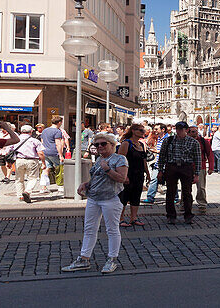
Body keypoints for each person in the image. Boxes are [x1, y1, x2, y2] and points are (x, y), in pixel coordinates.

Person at [61, 132, 128, 274]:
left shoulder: (119, 159)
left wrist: (108, 169)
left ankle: (112, 259)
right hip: (93, 198)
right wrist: (86, 184)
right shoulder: (99, 159)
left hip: (111, 199)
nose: (100, 147)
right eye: (97, 145)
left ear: (112, 144)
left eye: (103, 144)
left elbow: (122, 178)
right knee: (89, 229)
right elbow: (97, 178)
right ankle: (84, 258)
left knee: (112, 229)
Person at [156, 120, 201, 224]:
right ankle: (171, 215)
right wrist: (160, 170)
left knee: (187, 193)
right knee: (170, 192)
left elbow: (197, 159)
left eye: (181, 129)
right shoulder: (168, 140)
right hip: (171, 167)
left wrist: (197, 174)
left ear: (186, 130)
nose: (179, 131)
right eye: (177, 129)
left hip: (186, 168)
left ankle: (188, 215)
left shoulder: (193, 142)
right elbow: (162, 156)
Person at [118, 122, 150, 227]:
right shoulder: (126, 143)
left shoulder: (141, 144)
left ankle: (134, 218)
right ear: (133, 131)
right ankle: (120, 218)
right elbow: (120, 160)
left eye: (143, 131)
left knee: (136, 196)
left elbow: (144, 160)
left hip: (139, 174)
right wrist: (124, 175)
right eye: (141, 130)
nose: (143, 132)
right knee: (124, 196)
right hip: (128, 173)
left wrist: (148, 174)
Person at [8, 124, 42, 204]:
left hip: (19, 160)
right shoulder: (35, 140)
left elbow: (9, 151)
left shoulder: (15, 140)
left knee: (19, 179)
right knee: (33, 178)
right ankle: (27, 191)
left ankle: (20, 195)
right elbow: (40, 153)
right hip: (32, 161)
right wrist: (43, 162)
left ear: (21, 131)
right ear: (31, 132)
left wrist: (9, 162)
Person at [189, 125, 214, 214]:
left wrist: (211, 167)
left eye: (196, 131)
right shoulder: (185, 141)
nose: (195, 133)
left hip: (201, 167)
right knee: (186, 187)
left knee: (201, 187)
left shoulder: (203, 141)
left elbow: (210, 154)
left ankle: (202, 204)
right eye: (192, 131)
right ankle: (185, 204)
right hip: (188, 167)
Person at [143, 123, 167, 204]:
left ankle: (175, 197)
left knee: (170, 181)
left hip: (166, 164)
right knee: (153, 179)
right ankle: (150, 197)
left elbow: (168, 150)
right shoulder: (159, 139)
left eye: (156, 129)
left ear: (163, 130)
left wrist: (157, 151)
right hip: (157, 163)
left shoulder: (168, 138)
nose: (155, 131)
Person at [40, 115, 65, 186]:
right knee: (59, 168)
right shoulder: (57, 131)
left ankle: (43, 186)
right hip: (54, 152)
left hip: (45, 152)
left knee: (47, 168)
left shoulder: (44, 130)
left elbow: (42, 142)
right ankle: (60, 185)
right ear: (59, 122)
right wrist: (61, 155)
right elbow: (58, 144)